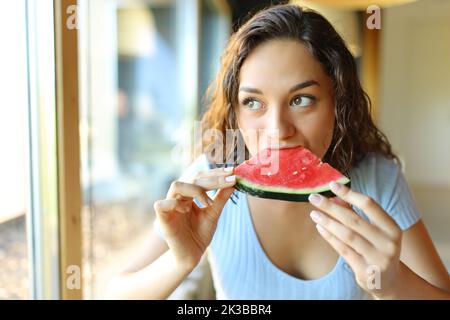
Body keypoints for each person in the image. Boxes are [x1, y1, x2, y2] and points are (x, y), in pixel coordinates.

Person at [106, 4, 450, 299]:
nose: (278, 130)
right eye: (253, 102)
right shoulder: (212, 178)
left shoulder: (377, 178)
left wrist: (393, 285)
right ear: (236, 113)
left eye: (301, 100)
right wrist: (180, 262)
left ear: (337, 103)